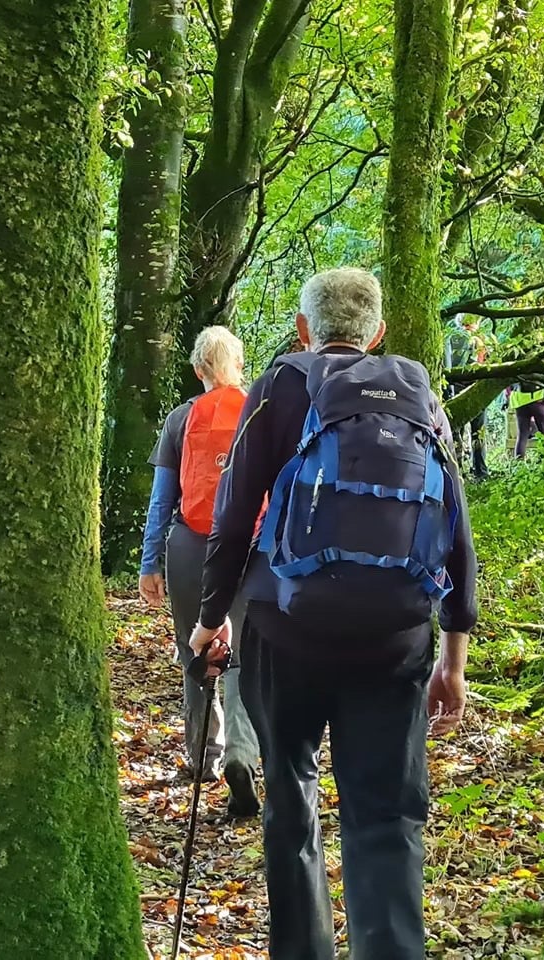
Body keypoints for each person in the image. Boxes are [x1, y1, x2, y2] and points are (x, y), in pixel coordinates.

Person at [191, 268, 478, 960]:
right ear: (377, 334)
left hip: (286, 629)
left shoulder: (281, 386)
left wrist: (209, 618)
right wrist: (453, 659)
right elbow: (457, 530)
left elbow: (233, 520)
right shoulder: (417, 396)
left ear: (302, 330)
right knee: (386, 813)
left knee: (291, 798)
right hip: (394, 636)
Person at [138, 326, 260, 817]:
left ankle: (202, 754)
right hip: (251, 547)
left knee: (195, 647)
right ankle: (242, 753)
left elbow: (162, 499)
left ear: (198, 370)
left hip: (191, 546)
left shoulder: (180, 419)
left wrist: (151, 561)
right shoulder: (262, 411)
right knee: (243, 654)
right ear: (240, 362)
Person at [444, 313, 490, 479]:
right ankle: (481, 471)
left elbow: (447, 363)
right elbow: (486, 364)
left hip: (456, 388)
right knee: (479, 432)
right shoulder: (481, 339)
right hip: (477, 389)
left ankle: (458, 471)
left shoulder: (451, 338)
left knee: (457, 432)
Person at [509, 375, 544, 459]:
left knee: (522, 435)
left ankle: (518, 464)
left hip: (521, 401)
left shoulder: (516, 365)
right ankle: (543, 463)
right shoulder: (543, 363)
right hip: (539, 399)